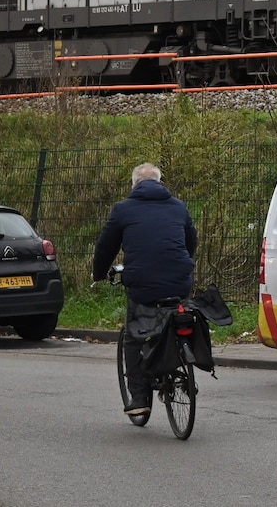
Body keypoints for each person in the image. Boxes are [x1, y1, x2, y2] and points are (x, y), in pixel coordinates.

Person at [93, 163, 198, 415]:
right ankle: (176, 363)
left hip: (143, 285)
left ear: (134, 185)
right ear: (161, 183)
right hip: (180, 281)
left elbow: (105, 247)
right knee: (175, 317)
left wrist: (99, 274)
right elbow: (191, 241)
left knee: (133, 336)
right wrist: (181, 265)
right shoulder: (178, 206)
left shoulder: (123, 210)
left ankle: (139, 398)